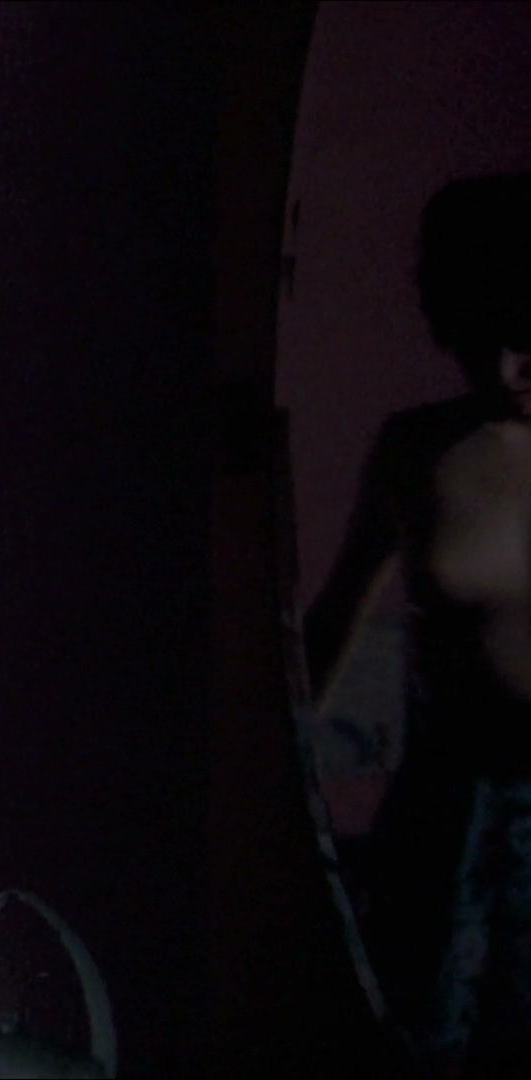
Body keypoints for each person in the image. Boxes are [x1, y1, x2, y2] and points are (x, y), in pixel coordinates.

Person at [304, 172, 531, 1078]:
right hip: (446, 827)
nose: (511, 367)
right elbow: (329, 627)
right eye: (489, 335)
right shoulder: (415, 450)